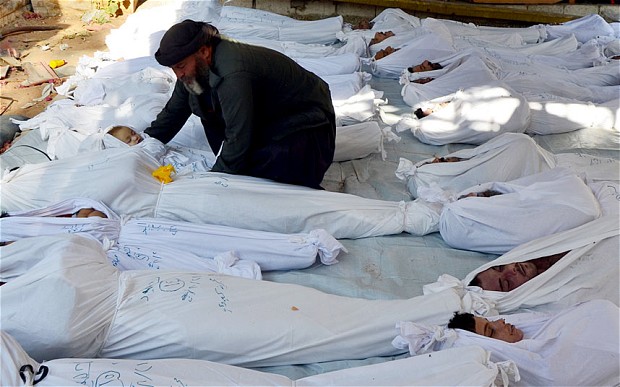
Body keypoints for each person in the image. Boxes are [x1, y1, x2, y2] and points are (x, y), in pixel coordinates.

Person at [0, 233, 462, 366]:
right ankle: (432, 327)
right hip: (140, 329)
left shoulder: (24, 258)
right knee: (292, 331)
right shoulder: (15, 330)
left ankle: (431, 314)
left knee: (287, 303)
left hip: (150, 287)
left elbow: (81, 246)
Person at [144, 20, 336, 189]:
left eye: (181, 66)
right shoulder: (194, 69)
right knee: (208, 112)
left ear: (203, 51)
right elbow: (173, 113)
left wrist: (213, 181)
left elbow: (238, 136)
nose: (179, 75)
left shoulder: (233, 73)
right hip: (274, 119)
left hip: (309, 129)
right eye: (174, 69)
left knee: (259, 175)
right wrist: (143, 144)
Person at [393, 299, 620, 386]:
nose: (502, 321)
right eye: (492, 330)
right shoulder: (545, 370)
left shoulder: (536, 333)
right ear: (494, 350)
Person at [468, 251, 568, 292]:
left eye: (501, 267)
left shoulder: (538, 249)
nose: (512, 270)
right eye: (506, 283)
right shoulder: (560, 289)